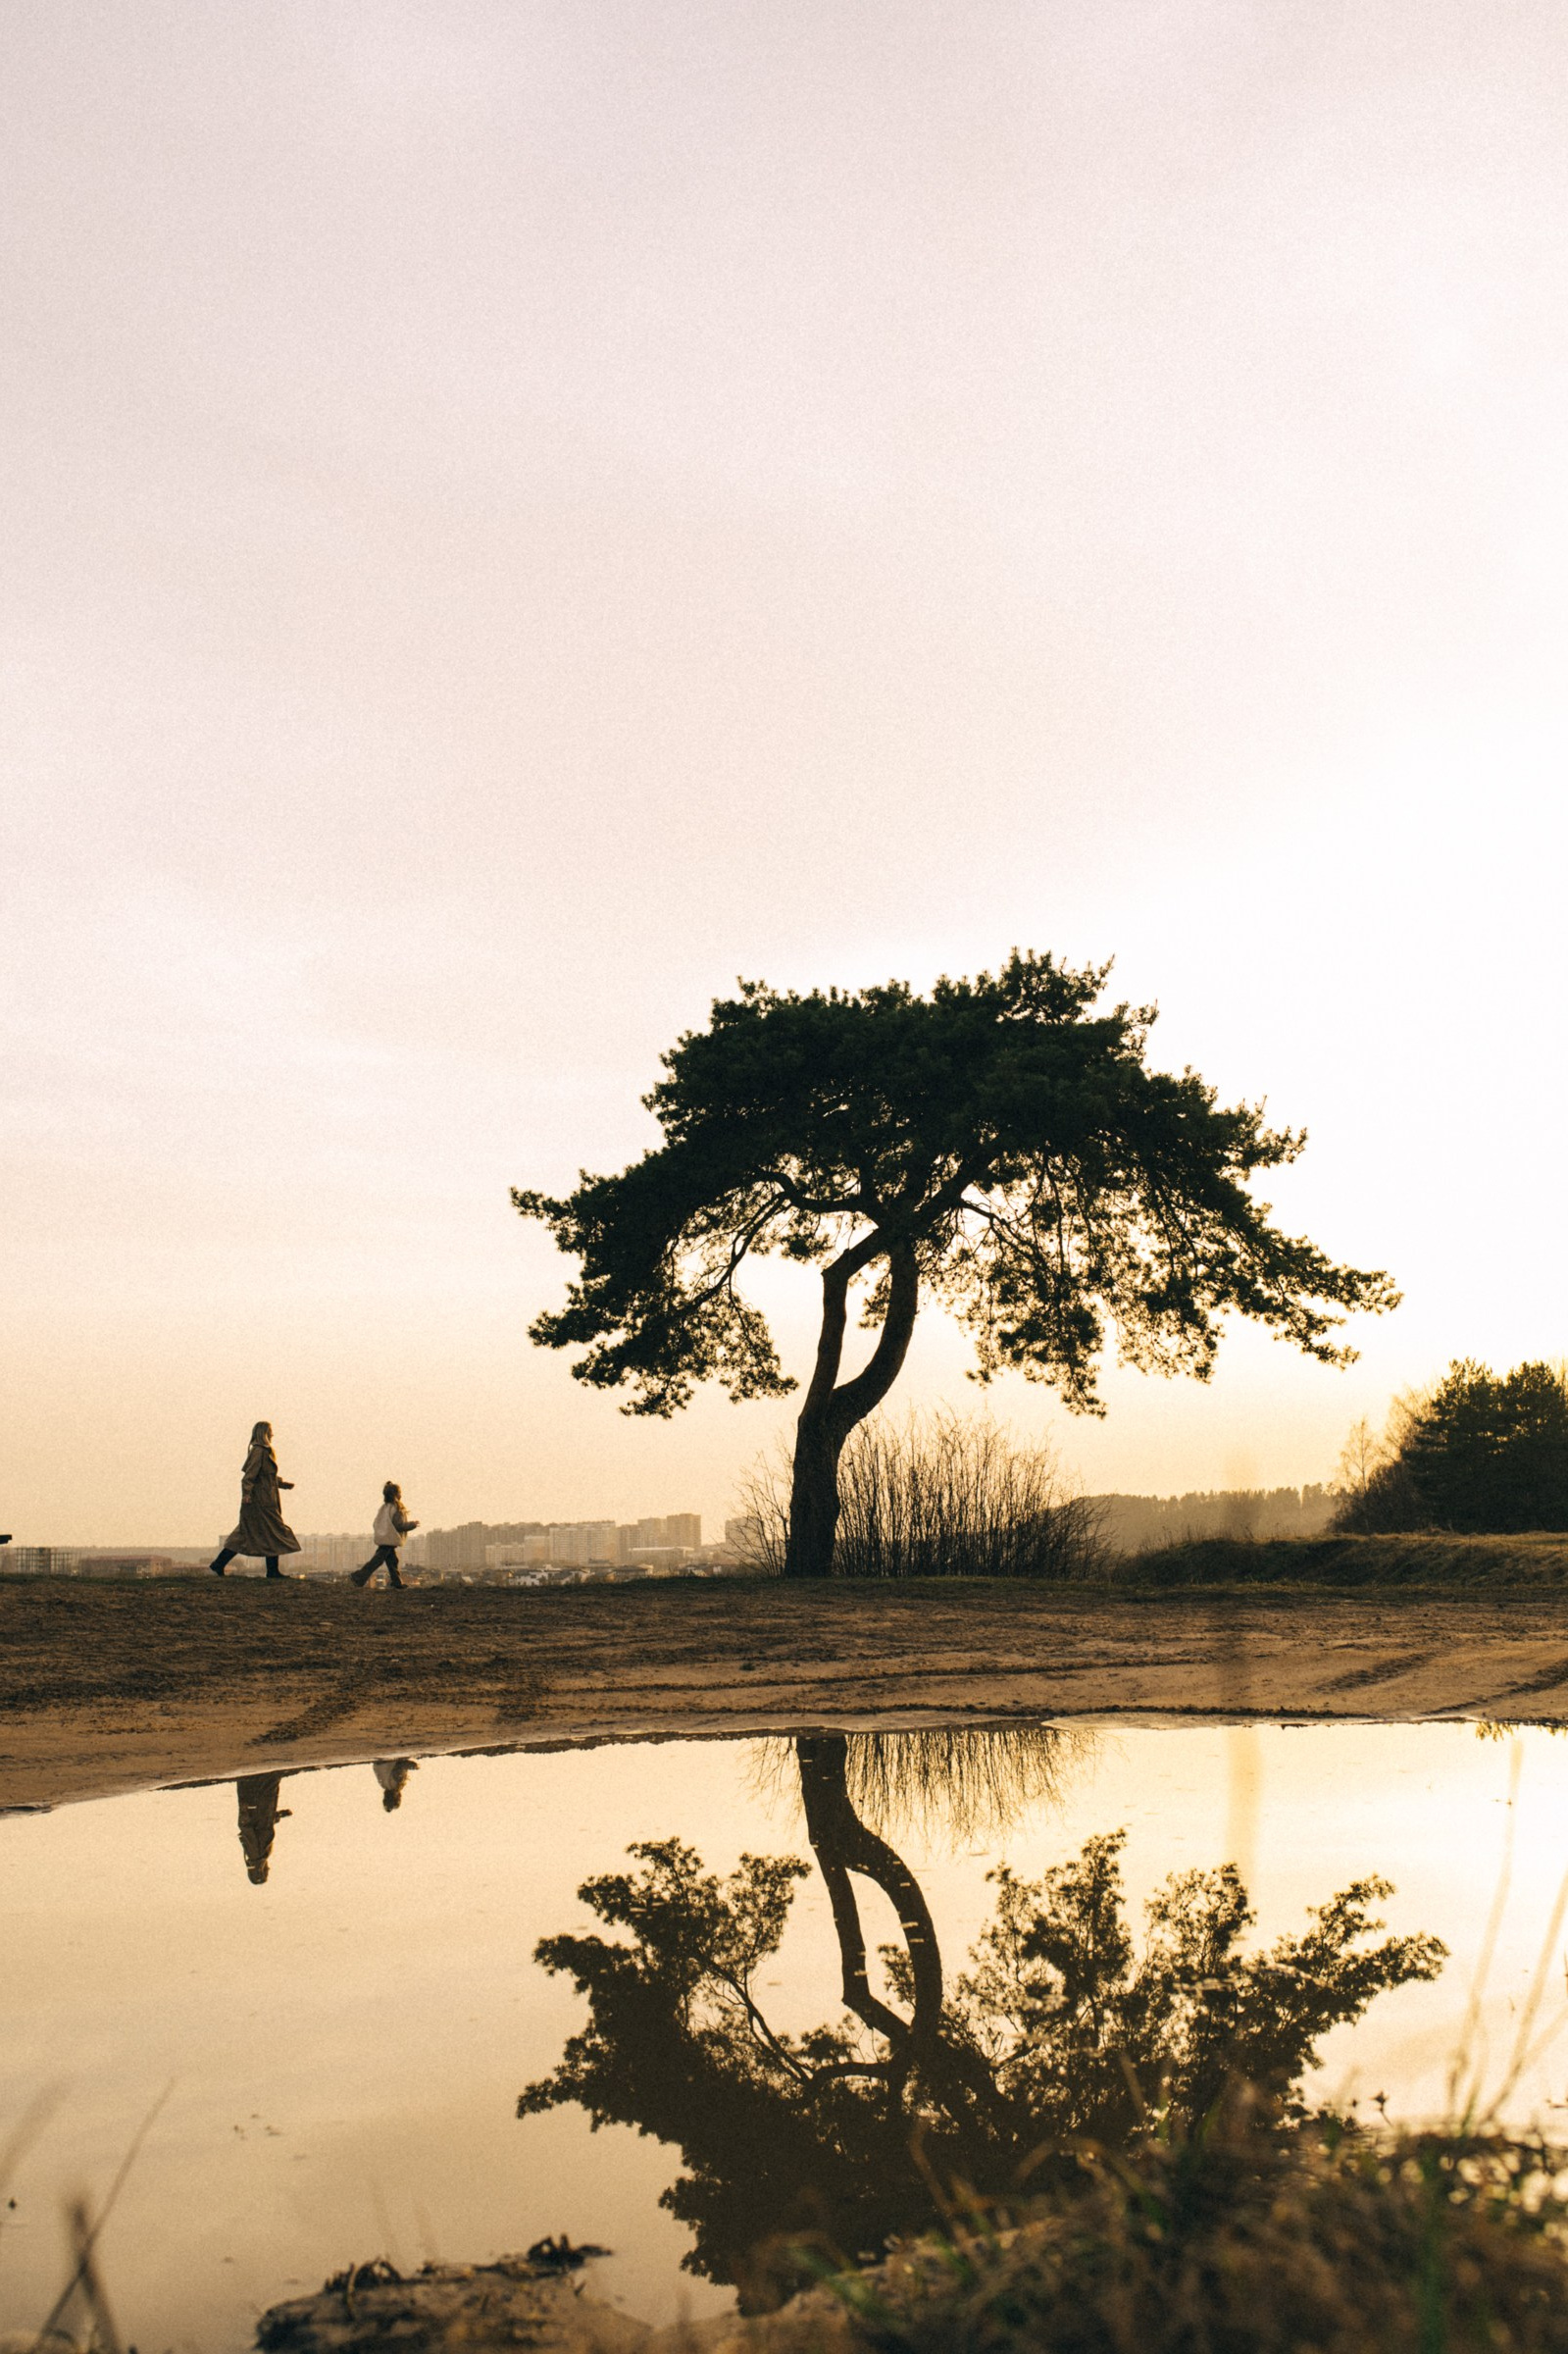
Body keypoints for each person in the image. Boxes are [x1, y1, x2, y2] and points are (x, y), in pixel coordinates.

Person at [210, 1421, 301, 1579]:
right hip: (260, 1502)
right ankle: (272, 1571)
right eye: (271, 1431)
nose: (273, 1434)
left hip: (265, 1500)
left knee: (247, 1534)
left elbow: (266, 1477)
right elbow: (249, 1476)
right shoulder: (259, 1451)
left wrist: (283, 1484)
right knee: (273, 1533)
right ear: (264, 1433)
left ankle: (219, 1563)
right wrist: (246, 1494)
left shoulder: (264, 1451)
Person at [352, 1482, 419, 1588]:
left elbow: (376, 1522)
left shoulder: (383, 1508)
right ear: (396, 1495)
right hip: (389, 1539)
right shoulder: (396, 1508)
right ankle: (359, 1577)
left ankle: (397, 1582)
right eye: (400, 1493)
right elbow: (399, 1525)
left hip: (384, 1537)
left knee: (392, 1561)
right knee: (377, 1561)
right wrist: (412, 1525)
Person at [235, 1771, 291, 1883]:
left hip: (256, 1806)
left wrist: (246, 1810)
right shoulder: (259, 1856)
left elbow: (247, 1829)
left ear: (260, 1871)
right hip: (262, 1808)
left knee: (265, 1781)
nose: (268, 1869)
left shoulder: (255, 1856)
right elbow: (264, 1827)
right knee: (268, 1782)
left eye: (266, 1872)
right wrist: (278, 1815)